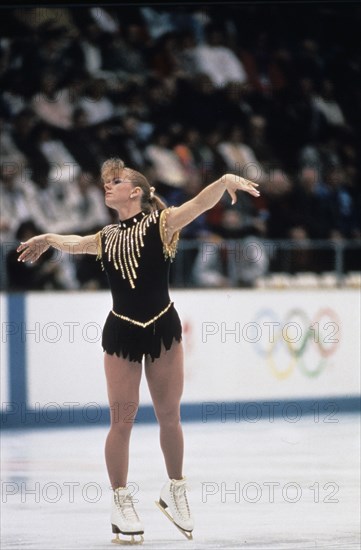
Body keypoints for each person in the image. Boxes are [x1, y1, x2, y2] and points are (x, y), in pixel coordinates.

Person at [17, 158, 260, 544]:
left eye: (115, 182)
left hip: (162, 327)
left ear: (135, 191)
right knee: (122, 420)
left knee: (169, 416)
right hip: (123, 333)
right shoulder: (106, 235)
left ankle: (175, 491)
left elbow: (197, 204)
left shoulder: (161, 224)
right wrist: (48, 239)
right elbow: (76, 243)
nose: (107, 187)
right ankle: (120, 501)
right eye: (106, 182)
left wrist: (224, 179)